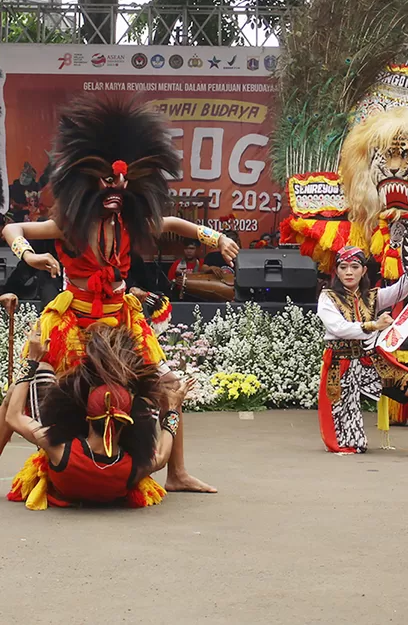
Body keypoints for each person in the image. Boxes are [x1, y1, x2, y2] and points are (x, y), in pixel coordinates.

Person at [0, 94, 238, 493]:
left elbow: (173, 221)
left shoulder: (129, 223)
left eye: (121, 182)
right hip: (72, 320)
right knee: (18, 396)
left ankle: (176, 472)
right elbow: (13, 230)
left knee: (168, 384)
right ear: (89, 183)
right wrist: (30, 257)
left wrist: (214, 236)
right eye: (108, 182)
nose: (115, 189)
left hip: (120, 319)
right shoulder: (70, 225)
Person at [6, 323, 190, 509]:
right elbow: (163, 454)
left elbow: (13, 416)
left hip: (63, 464)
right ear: (128, 421)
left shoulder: (59, 449)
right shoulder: (135, 467)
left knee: (17, 390)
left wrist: (31, 360)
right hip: (117, 471)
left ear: (85, 415)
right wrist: (174, 408)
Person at [316, 245, 408, 458]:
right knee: (349, 443)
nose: (349, 272)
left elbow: (403, 287)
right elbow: (337, 327)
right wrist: (374, 326)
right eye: (343, 267)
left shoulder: (373, 297)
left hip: (370, 361)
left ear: (363, 271)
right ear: (336, 271)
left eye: (355, 266)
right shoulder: (327, 297)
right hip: (342, 364)